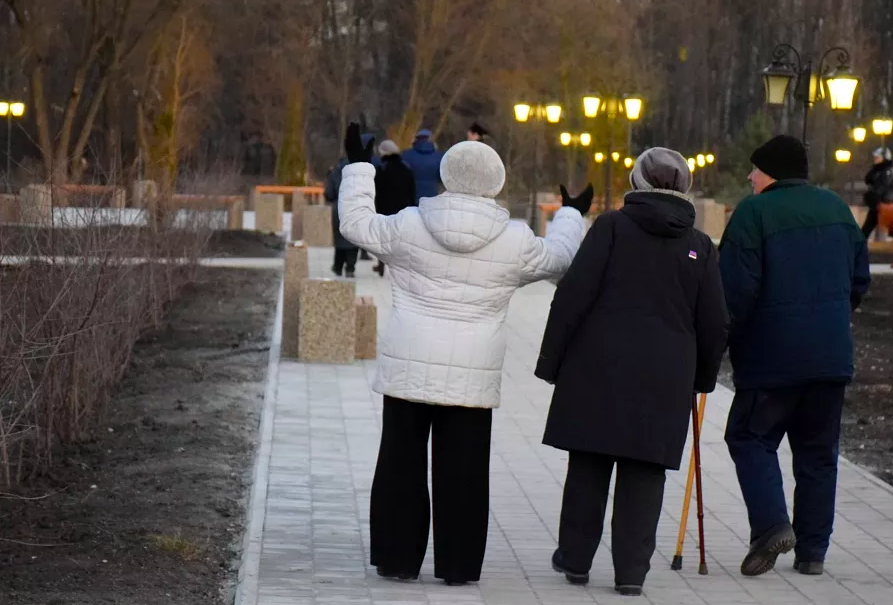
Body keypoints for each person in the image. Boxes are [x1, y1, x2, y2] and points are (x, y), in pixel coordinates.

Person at [338, 123, 589, 586]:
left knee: (401, 462)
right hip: (474, 372)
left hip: (408, 364)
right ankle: (457, 566)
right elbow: (561, 261)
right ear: (497, 183)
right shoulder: (514, 240)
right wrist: (571, 214)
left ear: (446, 176)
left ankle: (396, 559)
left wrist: (358, 167)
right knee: (465, 472)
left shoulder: (410, 224)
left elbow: (355, 224)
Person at [536, 148, 729, 596]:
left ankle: (575, 559)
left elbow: (573, 295)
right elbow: (716, 321)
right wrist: (701, 378)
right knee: (645, 473)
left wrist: (551, 362)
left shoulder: (611, 228)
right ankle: (630, 574)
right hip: (664, 378)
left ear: (637, 182)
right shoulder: (699, 245)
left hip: (597, 368)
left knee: (588, 462)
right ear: (685, 188)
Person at [719, 135, 871, 578]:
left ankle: (771, 526)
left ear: (772, 173)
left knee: (750, 438)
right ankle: (812, 553)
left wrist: (718, 341)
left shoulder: (754, 213)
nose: (749, 176)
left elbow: (735, 292)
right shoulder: (838, 210)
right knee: (818, 453)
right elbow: (858, 281)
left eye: (755, 169)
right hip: (830, 359)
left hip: (771, 359)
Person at [324, 133, 376, 277]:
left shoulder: (335, 172)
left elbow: (329, 194)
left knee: (340, 239)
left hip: (339, 209)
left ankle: (338, 266)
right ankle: (350, 268)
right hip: (357, 208)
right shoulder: (363, 171)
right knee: (353, 239)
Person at [372, 139, 416, 276]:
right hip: (402, 208)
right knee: (400, 240)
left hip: (384, 208)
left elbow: (376, 190)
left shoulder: (381, 168)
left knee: (383, 240)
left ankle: (381, 265)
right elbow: (412, 189)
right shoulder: (406, 168)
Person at [402, 128, 444, 203]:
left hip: (410, 196)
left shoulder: (406, 155)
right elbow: (442, 177)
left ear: (416, 139)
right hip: (432, 195)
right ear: (430, 139)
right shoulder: (439, 156)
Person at [860, 147, 893, 239]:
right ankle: (857, 245)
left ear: (884, 158)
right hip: (878, 204)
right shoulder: (877, 170)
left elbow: (882, 186)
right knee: (867, 228)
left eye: (877, 157)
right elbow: (868, 179)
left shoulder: (887, 171)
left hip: (885, 204)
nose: (875, 159)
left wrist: (873, 196)